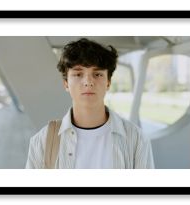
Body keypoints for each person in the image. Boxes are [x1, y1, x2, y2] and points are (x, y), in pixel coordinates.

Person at [25, 38, 154, 169]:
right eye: (78, 74)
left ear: (108, 82)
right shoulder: (42, 141)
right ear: (66, 84)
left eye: (97, 74)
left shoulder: (136, 139)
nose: (88, 82)